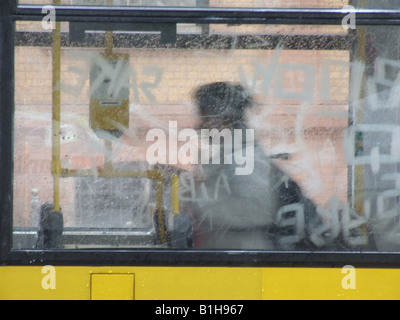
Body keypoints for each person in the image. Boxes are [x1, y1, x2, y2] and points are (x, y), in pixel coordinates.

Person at [178, 81, 321, 250]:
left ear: (225, 118)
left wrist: (197, 201)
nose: (199, 126)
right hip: (230, 259)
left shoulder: (246, 157)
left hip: (247, 261)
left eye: (204, 118)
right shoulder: (229, 155)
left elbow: (257, 211)